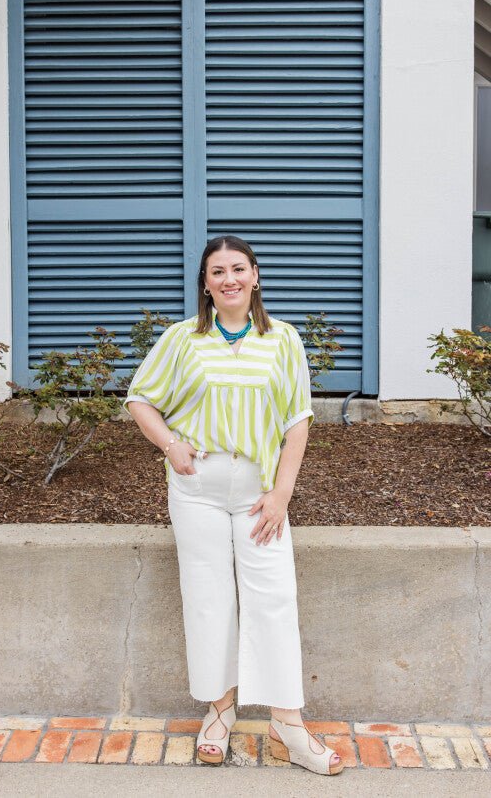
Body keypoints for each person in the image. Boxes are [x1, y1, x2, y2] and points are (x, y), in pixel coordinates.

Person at [123, 235, 343, 776]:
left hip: (258, 490)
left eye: (237, 269)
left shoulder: (283, 339)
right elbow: (139, 397)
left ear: (255, 275)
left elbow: (297, 420)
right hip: (196, 486)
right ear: (205, 283)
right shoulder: (182, 338)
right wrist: (171, 445)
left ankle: (287, 723)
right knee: (207, 596)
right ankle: (219, 713)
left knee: (273, 596)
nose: (228, 279)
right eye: (217, 271)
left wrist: (282, 492)